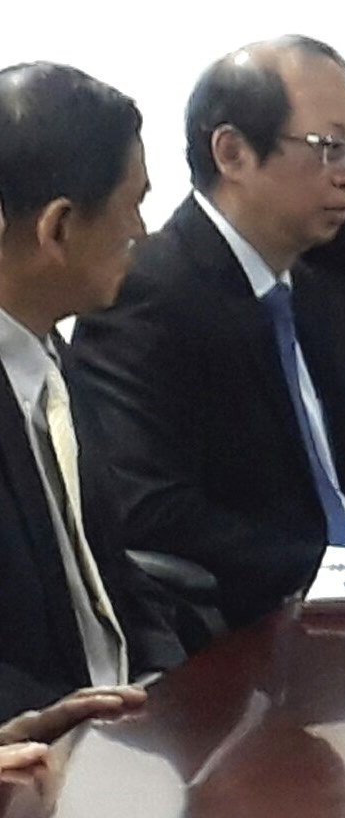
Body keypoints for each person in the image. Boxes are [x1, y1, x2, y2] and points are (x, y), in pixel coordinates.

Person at [70, 37, 345, 628]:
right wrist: (338, 575)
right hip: (255, 627)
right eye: (328, 149)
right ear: (232, 153)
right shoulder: (144, 293)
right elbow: (152, 511)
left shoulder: (308, 284)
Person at [0, 63, 182, 730]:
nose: (142, 228)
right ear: (57, 229)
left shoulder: (50, 355)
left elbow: (115, 572)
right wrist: (56, 720)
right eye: (132, 202)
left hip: (125, 737)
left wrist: (170, 684)